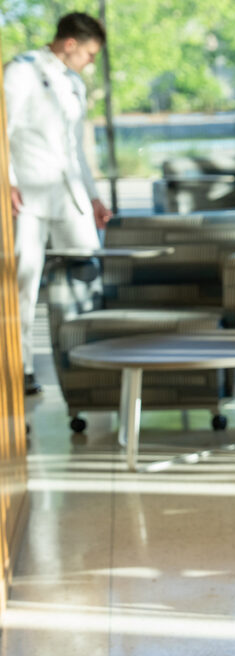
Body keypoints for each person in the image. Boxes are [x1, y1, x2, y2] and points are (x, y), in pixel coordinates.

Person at [5, 12, 112, 396]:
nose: (90, 62)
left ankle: (94, 358)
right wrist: (6, 182)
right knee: (23, 284)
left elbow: (75, 148)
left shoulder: (73, 83)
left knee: (88, 272)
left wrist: (94, 196)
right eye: (89, 54)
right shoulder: (20, 72)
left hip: (70, 196)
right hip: (27, 197)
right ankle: (20, 369)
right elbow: (3, 131)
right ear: (70, 43)